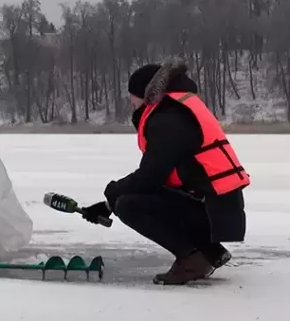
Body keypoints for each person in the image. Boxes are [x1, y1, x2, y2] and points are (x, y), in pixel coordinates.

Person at [80, 58, 250, 285]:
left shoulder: (167, 118)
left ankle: (192, 259)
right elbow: (158, 177)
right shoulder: (177, 109)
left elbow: (150, 177)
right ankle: (211, 251)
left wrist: (112, 194)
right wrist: (108, 203)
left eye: (132, 94)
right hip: (217, 206)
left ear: (143, 93)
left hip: (213, 210)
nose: (130, 101)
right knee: (128, 199)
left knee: (129, 205)